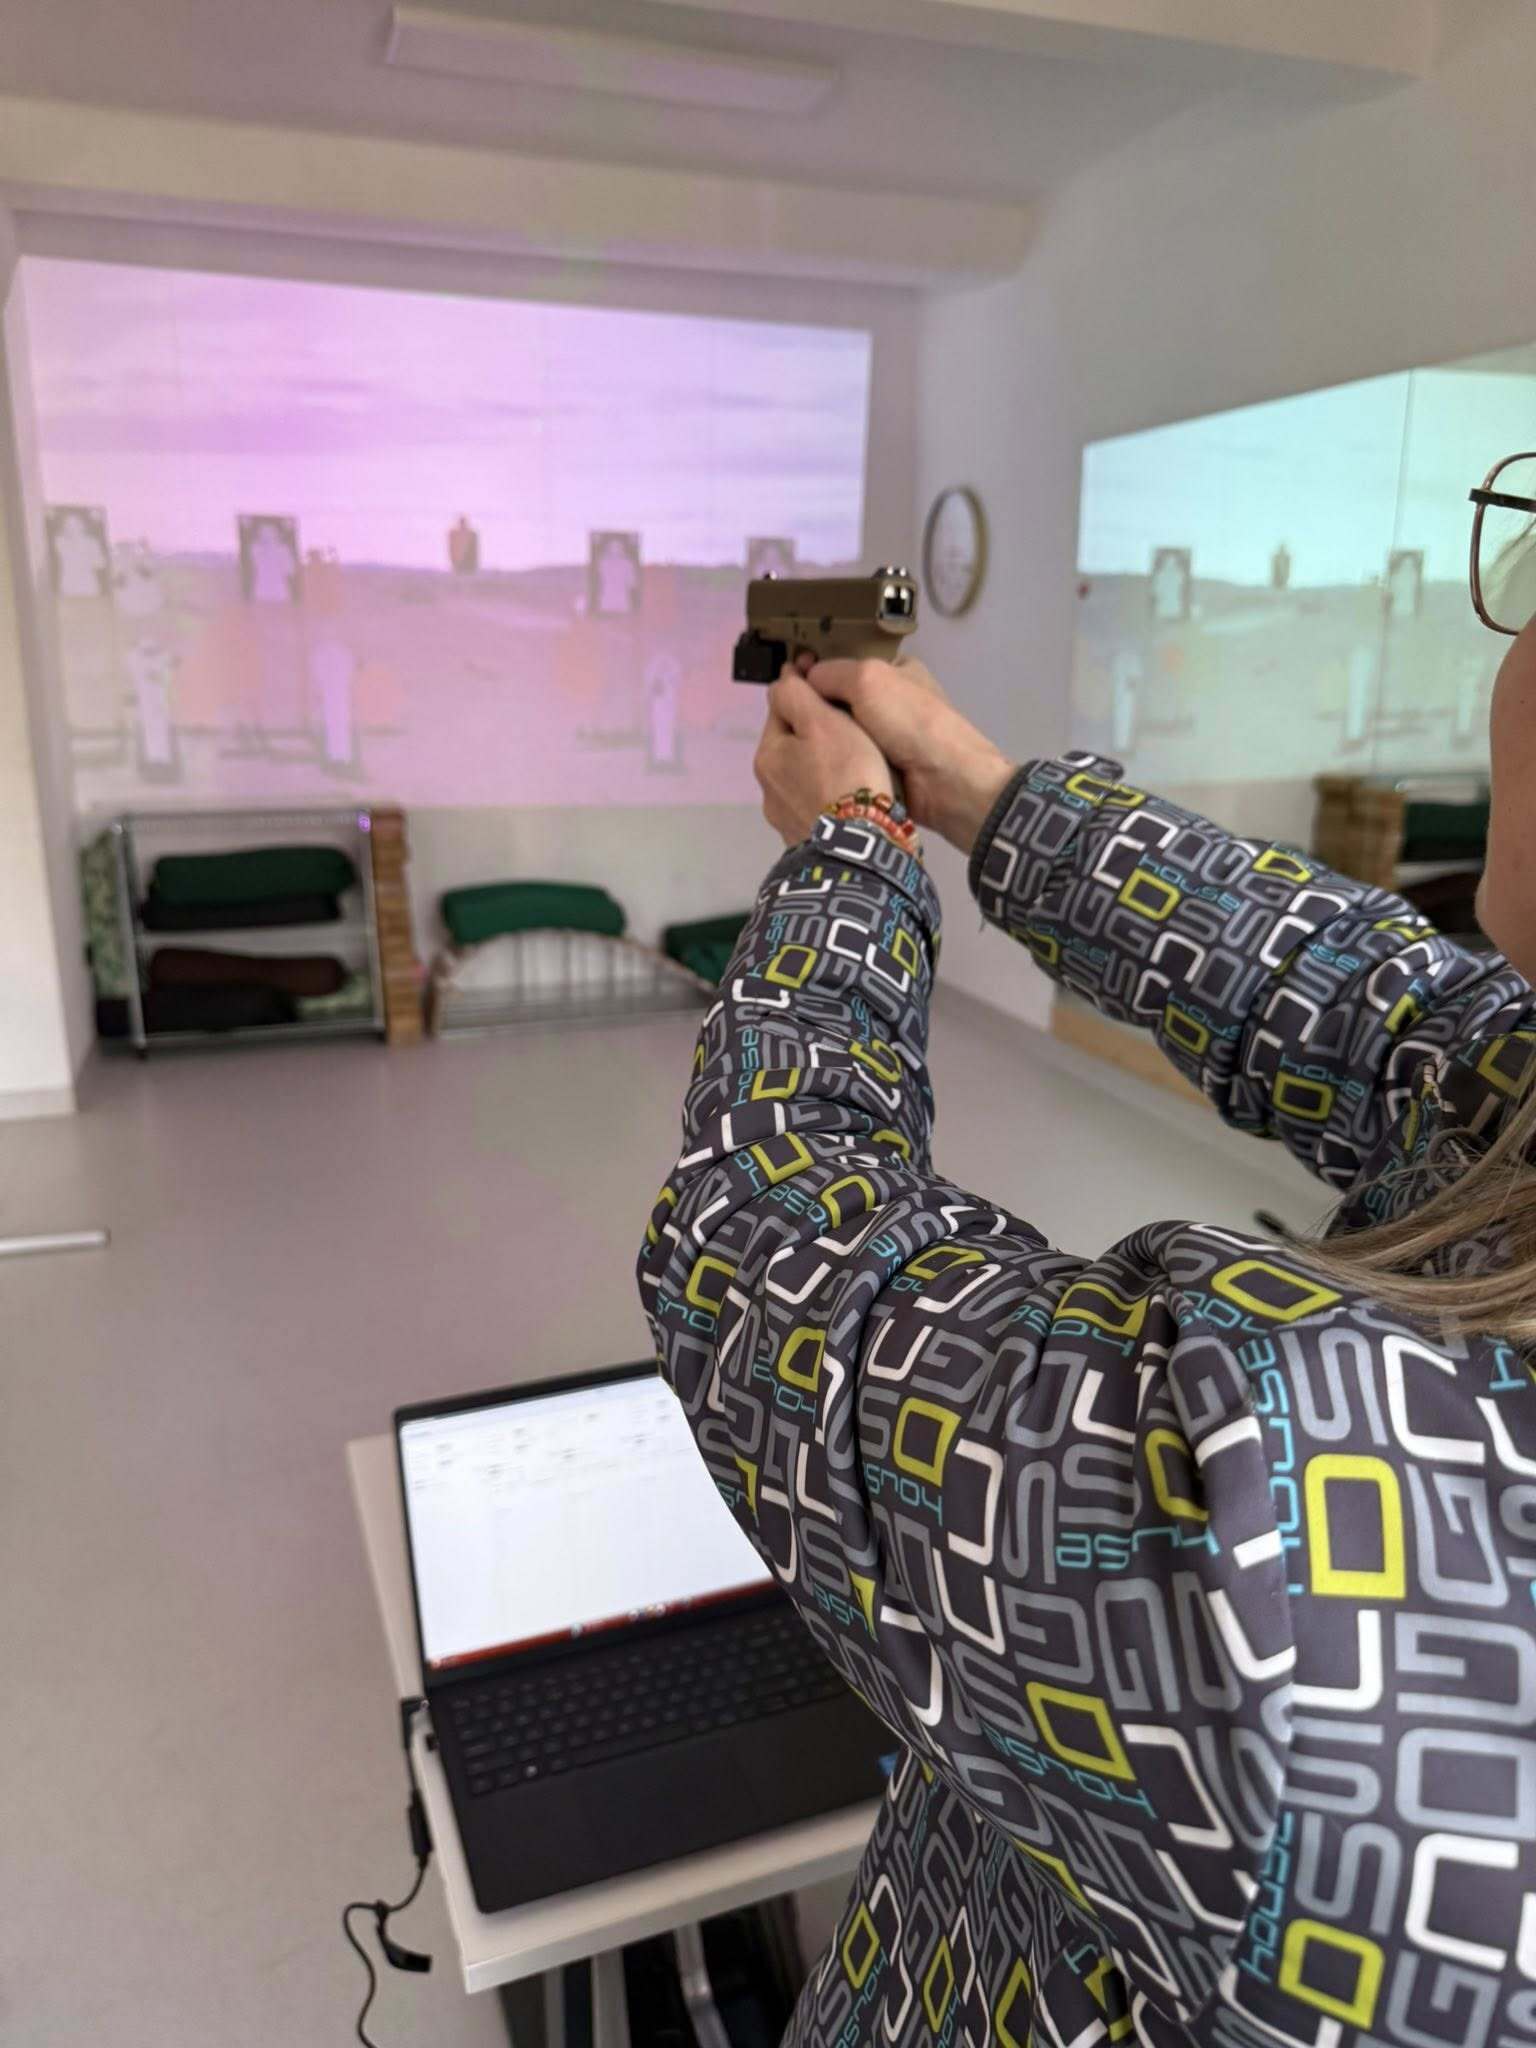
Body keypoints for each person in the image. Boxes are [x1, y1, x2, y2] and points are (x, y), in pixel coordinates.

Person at [638, 483, 1536, 2046]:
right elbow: (1376, 1009)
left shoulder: (1297, 1543)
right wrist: (976, 790)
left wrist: (852, 854)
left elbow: (771, 1247)